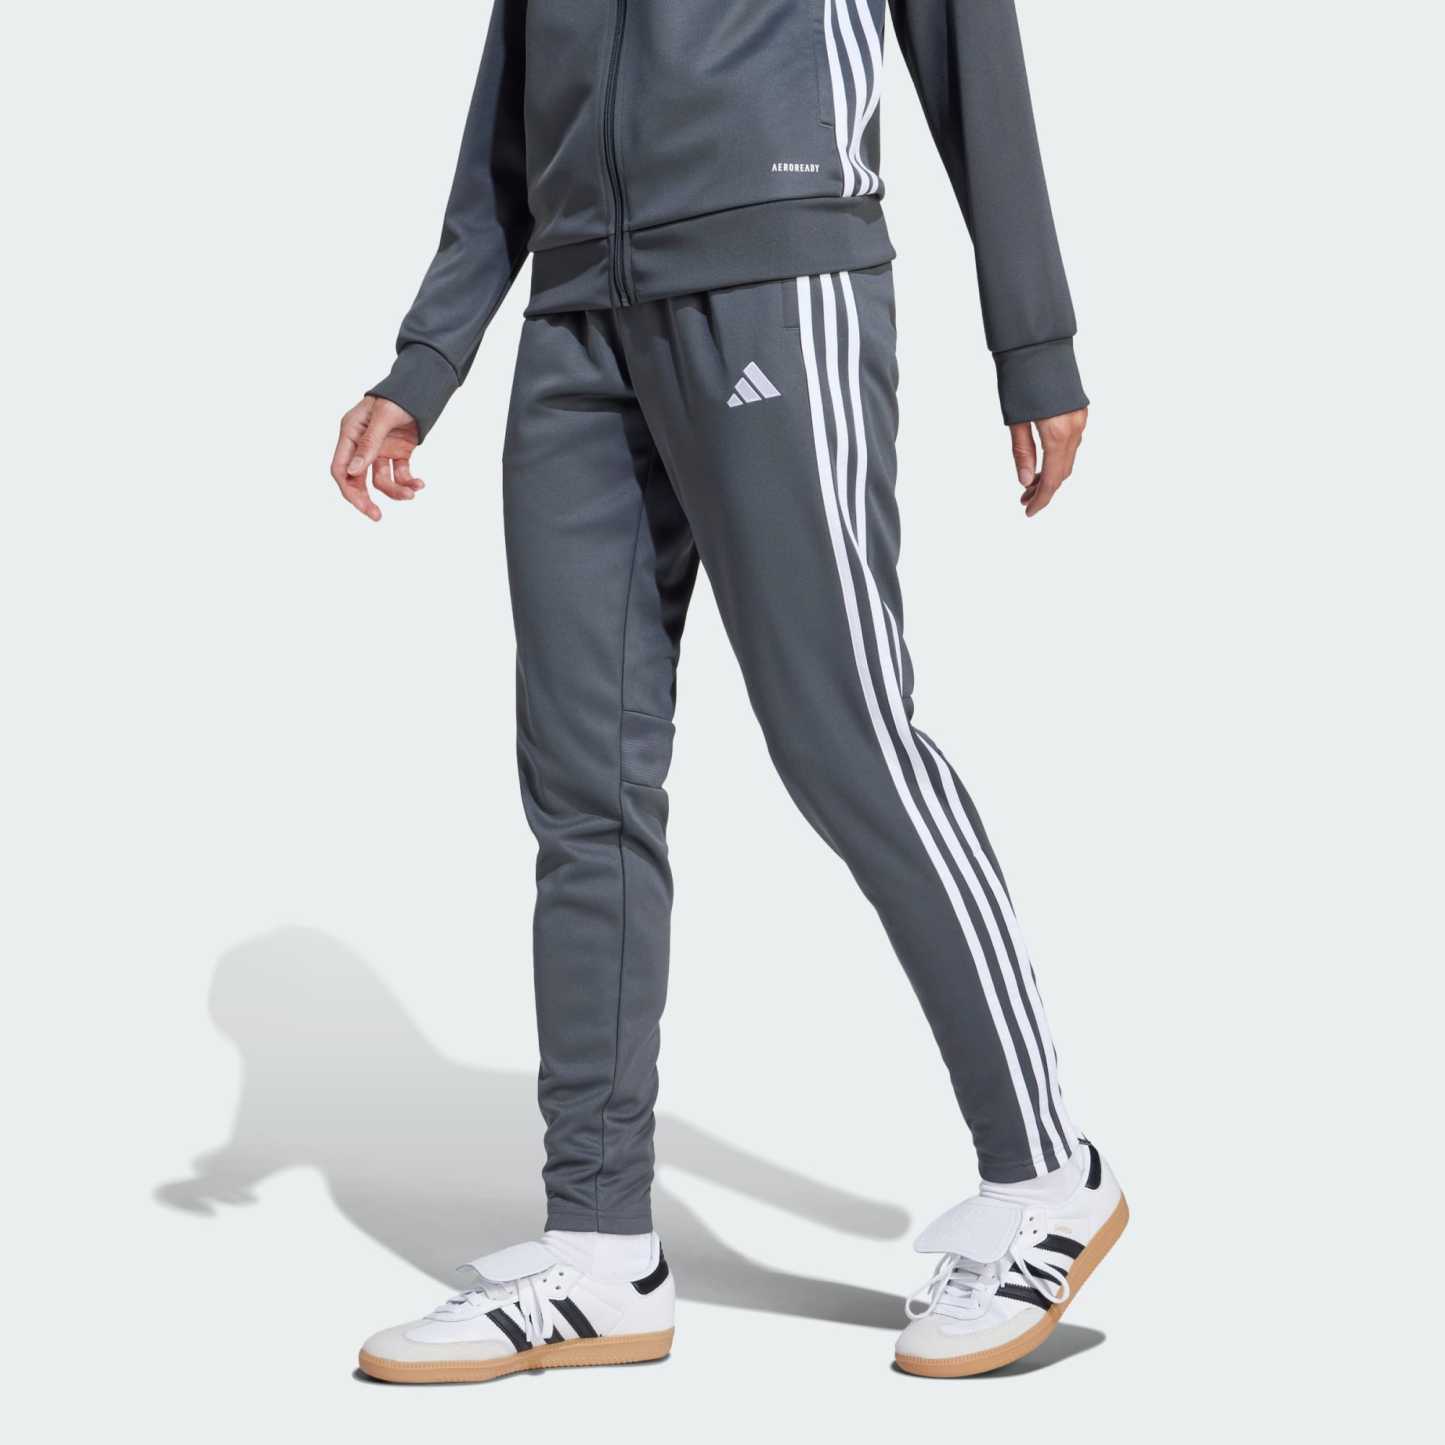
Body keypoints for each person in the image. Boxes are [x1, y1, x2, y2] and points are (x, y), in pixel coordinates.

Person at [334, 0, 1124, 1384]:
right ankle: (598, 1248)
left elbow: (968, 46)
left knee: (846, 739)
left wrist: (1033, 337)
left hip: (776, 281)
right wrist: (430, 353)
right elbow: (510, 102)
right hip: (576, 316)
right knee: (583, 787)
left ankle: (1045, 1175)